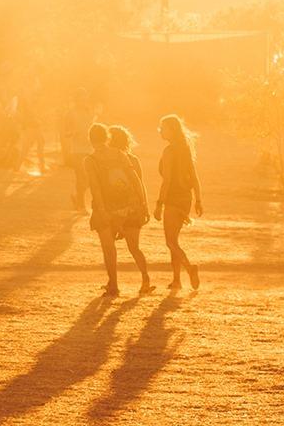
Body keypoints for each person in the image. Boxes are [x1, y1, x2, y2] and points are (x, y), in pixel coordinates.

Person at [85, 123, 154, 296]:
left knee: (109, 249)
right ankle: (145, 278)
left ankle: (114, 285)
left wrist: (101, 210)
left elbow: (95, 187)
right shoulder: (120, 154)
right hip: (129, 207)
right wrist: (143, 204)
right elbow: (135, 179)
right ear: (107, 137)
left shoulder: (90, 160)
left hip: (107, 208)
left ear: (90, 140)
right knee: (134, 247)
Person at [155, 114, 201, 291]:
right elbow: (194, 177)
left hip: (173, 199)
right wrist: (198, 200)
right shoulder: (185, 149)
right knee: (174, 241)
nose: (160, 131)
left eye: (163, 128)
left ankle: (190, 268)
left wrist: (159, 204)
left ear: (172, 130)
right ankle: (176, 281)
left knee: (170, 242)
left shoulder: (169, 151)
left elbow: (166, 180)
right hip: (186, 198)